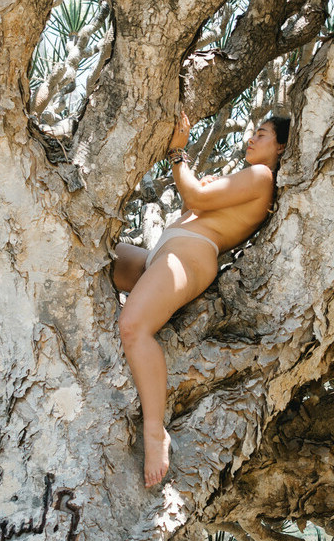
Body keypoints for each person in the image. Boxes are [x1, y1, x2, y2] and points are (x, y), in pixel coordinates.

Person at [113, 110, 290, 488]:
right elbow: (195, 204)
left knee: (133, 327)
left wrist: (179, 154)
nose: (252, 138)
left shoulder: (262, 176)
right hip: (160, 254)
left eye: (262, 134)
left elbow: (193, 195)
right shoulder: (246, 179)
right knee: (93, 258)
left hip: (189, 256)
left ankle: (154, 431)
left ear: (281, 147)